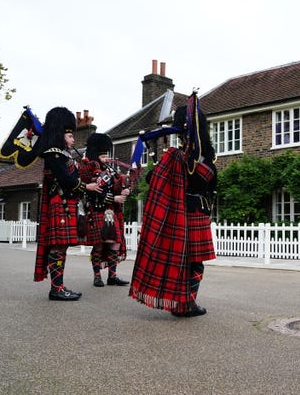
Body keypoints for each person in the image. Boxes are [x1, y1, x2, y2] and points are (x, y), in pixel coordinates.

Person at [129, 93, 217, 317]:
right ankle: (185, 304)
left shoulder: (176, 156)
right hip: (194, 212)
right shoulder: (195, 157)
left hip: (182, 213)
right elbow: (209, 180)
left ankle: (182, 302)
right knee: (194, 264)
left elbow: (152, 180)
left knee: (184, 262)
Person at [34, 107, 102, 301]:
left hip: (67, 204)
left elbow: (75, 176)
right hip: (60, 203)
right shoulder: (53, 155)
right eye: (70, 135)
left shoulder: (63, 155)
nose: (73, 140)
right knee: (57, 247)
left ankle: (59, 286)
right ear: (61, 135)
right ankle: (56, 289)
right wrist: (86, 186)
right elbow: (67, 180)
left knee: (62, 247)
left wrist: (91, 171)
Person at [80, 133, 130, 287]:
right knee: (99, 244)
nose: (106, 159)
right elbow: (92, 193)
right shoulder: (89, 169)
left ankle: (112, 276)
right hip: (96, 210)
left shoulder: (109, 171)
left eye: (107, 156)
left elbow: (115, 187)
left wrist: (124, 190)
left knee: (115, 243)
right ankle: (97, 276)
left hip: (110, 212)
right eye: (102, 156)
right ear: (96, 156)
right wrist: (113, 198)